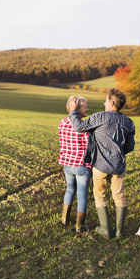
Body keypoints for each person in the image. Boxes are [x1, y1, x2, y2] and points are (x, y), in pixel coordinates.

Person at [68, 88, 135, 238]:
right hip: (119, 166)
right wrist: (117, 153)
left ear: (111, 103)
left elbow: (79, 127)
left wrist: (73, 110)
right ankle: (119, 231)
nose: (104, 102)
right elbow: (130, 146)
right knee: (119, 195)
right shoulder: (129, 123)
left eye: (106, 100)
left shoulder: (99, 117)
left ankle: (105, 230)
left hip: (100, 165)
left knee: (100, 196)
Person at [58, 96, 91, 233]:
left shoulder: (62, 123)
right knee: (82, 195)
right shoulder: (84, 126)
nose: (87, 109)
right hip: (81, 166)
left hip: (67, 164)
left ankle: (65, 219)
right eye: (85, 106)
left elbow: (61, 142)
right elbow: (89, 147)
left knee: (70, 190)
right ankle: (80, 226)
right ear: (76, 109)